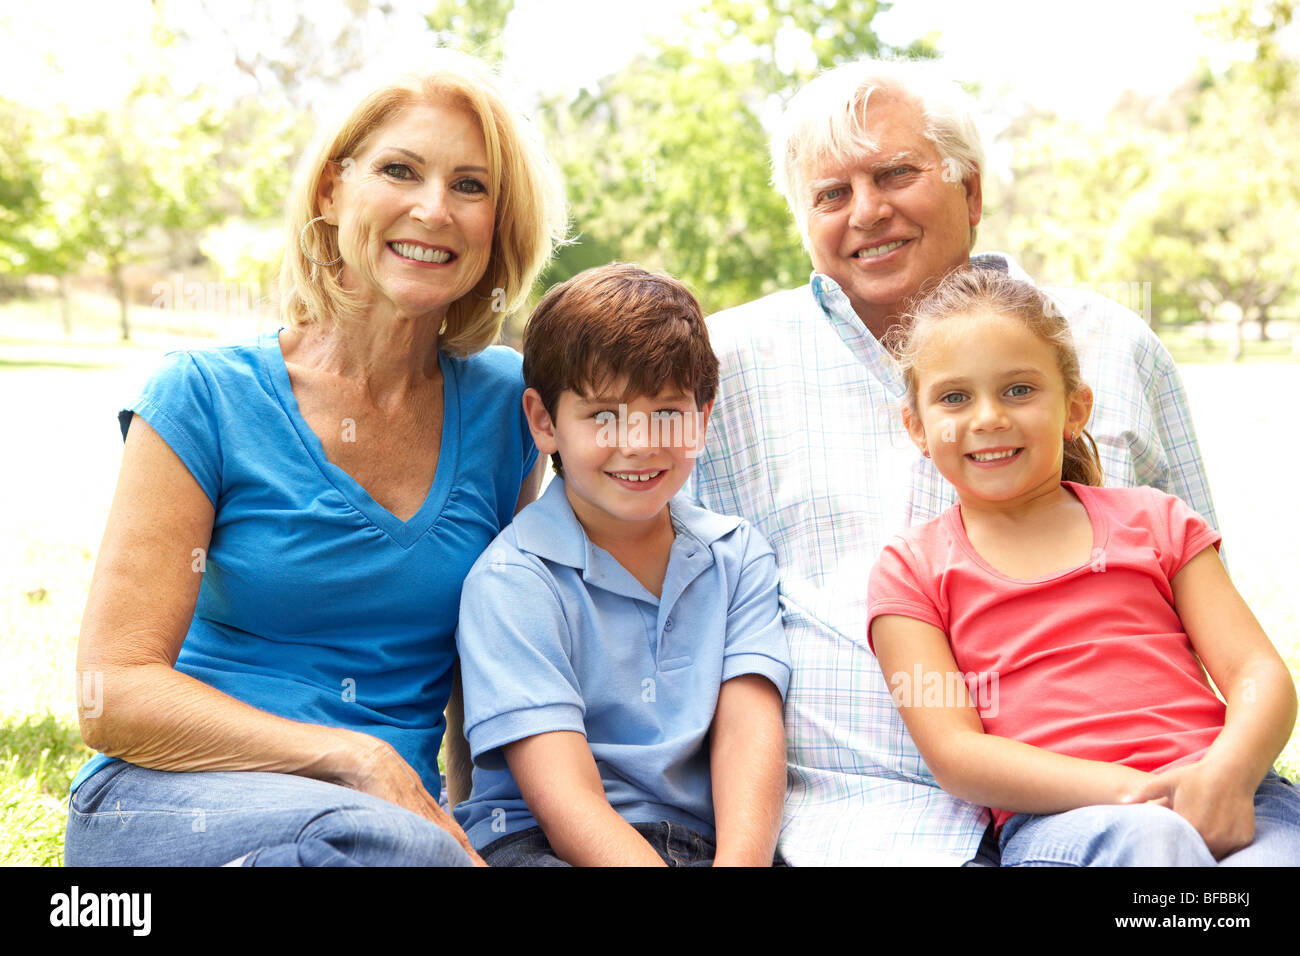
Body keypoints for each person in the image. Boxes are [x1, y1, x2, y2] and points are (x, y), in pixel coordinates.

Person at [690, 57, 1220, 865]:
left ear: (971, 191)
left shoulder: (1110, 346)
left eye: (896, 173)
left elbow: (1201, 593)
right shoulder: (719, 369)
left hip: (1126, 799)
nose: (866, 212)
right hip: (856, 827)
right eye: (831, 194)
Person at [64, 51, 567, 867]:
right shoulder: (203, 396)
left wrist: (488, 825)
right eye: (400, 170)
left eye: (470, 186)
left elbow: (487, 662)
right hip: (170, 798)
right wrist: (355, 758)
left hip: (390, 836)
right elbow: (113, 693)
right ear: (332, 190)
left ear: (497, 223)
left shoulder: (505, 407)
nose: (434, 209)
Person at [867, 267, 1300, 866]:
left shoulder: (1156, 522)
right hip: (1068, 822)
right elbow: (956, 752)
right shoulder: (911, 568)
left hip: (1232, 789)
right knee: (1158, 844)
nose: (988, 417)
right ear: (916, 427)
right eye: (954, 397)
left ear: (1075, 408)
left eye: (1019, 390)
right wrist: (1135, 794)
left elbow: (1259, 672)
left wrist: (1227, 772)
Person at [451, 263, 790, 866]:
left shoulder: (737, 558)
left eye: (667, 412)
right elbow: (565, 798)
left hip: (707, 845)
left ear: (704, 417)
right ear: (545, 422)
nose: (639, 442)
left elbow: (747, 736)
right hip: (546, 843)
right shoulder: (513, 582)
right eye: (604, 414)